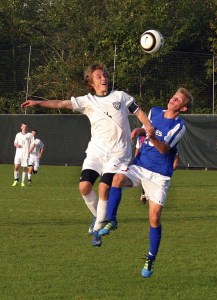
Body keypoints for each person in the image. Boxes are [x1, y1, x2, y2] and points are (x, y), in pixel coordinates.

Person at [21, 63, 153, 246]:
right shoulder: (88, 101)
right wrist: (38, 102)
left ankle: (98, 229)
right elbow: (61, 103)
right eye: (99, 76)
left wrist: (148, 127)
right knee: (84, 187)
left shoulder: (121, 97)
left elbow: (138, 112)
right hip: (96, 151)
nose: (104, 78)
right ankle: (98, 216)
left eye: (105, 75)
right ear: (91, 83)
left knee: (104, 188)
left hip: (118, 153)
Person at [98, 87, 193, 278]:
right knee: (117, 178)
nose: (173, 100)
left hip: (160, 176)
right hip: (140, 165)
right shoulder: (154, 111)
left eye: (178, 100)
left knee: (154, 218)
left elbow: (164, 149)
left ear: (183, 108)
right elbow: (146, 129)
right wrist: (140, 130)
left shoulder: (179, 126)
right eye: (174, 96)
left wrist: (151, 136)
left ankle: (151, 257)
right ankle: (112, 220)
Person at [135, 136, 180, 205]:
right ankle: (145, 193)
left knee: (155, 181)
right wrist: (136, 159)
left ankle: (150, 195)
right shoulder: (141, 136)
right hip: (145, 161)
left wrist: (175, 161)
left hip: (159, 164)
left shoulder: (165, 135)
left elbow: (175, 149)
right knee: (144, 179)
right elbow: (138, 149)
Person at [12, 122, 34, 187]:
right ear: (21, 127)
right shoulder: (18, 134)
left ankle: (22, 182)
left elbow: (33, 143)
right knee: (16, 167)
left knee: (24, 167)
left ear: (26, 128)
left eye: (25, 127)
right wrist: (17, 145)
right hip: (18, 153)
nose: (24, 127)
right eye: (23, 126)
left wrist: (30, 149)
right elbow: (15, 143)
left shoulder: (30, 135)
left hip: (25, 154)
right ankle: (16, 180)